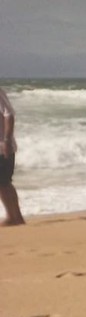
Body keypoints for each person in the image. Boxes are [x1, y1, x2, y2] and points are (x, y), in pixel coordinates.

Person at [0, 87, 25, 226]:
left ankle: (13, 217)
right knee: (3, 183)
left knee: (3, 182)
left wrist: (6, 140)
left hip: (3, 147)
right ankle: (16, 217)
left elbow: (9, 114)